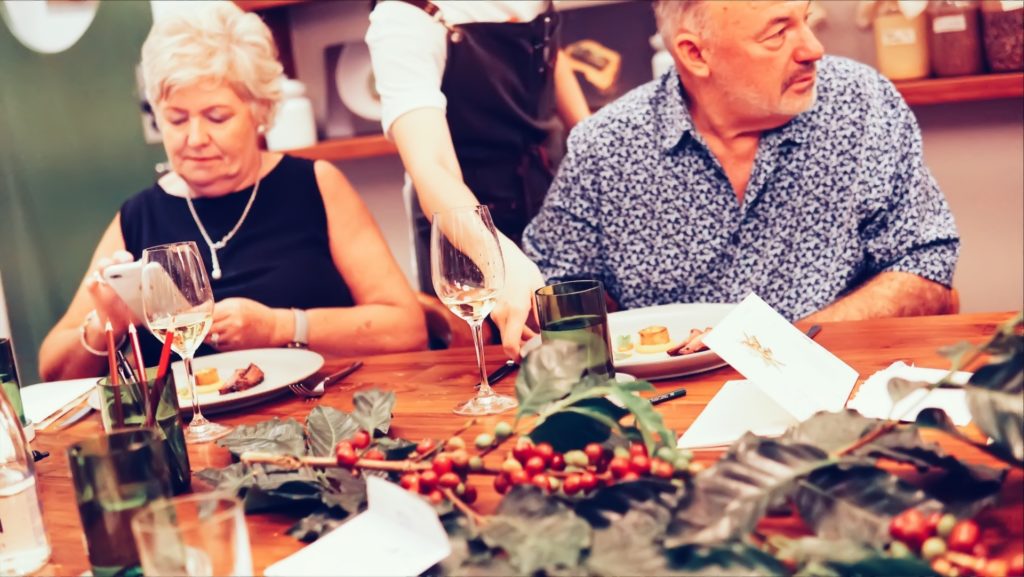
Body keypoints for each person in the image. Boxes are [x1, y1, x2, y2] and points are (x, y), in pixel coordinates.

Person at [39, 1, 426, 381]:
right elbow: (53, 369)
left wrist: (282, 327)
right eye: (176, 119)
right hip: (194, 438)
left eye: (216, 117)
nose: (194, 138)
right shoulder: (138, 216)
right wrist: (106, 324)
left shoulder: (315, 184)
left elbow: (407, 328)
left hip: (322, 417)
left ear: (262, 111)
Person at [523, 0, 959, 322]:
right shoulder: (606, 146)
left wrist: (782, 347)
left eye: (804, 20)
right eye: (777, 33)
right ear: (695, 54)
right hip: (670, 415)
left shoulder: (862, 103)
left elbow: (926, 268)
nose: (813, 49)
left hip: (837, 389)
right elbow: (555, 293)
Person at [365, 0, 590, 358]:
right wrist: (497, 260)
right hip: (464, 225)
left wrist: (592, 142)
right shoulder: (403, 17)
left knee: (581, 355)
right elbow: (433, 166)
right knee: (496, 366)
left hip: (547, 195)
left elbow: (549, 54)